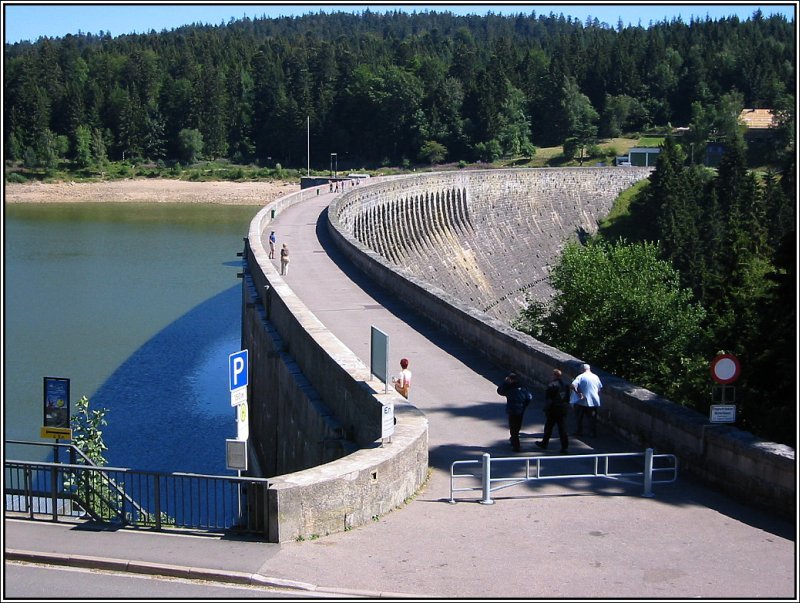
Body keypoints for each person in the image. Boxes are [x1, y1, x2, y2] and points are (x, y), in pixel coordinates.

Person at [536, 368, 571, 453]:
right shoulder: (565, 385)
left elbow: (549, 399)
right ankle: (565, 447)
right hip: (563, 408)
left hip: (553, 409)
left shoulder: (552, 385)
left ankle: (544, 443)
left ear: (554, 375)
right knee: (562, 428)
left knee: (548, 427)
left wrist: (546, 409)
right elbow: (567, 398)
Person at [496, 372, 532, 452]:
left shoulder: (509, 388)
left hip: (512, 409)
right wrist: (524, 405)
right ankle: (514, 441)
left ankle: (516, 445)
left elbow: (499, 391)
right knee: (517, 426)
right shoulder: (523, 387)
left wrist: (505, 383)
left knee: (513, 428)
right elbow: (529, 397)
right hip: (521, 409)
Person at [572, 363, 602, 437]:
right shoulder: (596, 377)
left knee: (579, 417)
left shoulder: (580, 376)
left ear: (582, 369)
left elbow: (573, 385)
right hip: (593, 400)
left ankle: (579, 431)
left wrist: (579, 393)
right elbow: (599, 388)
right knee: (592, 418)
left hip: (582, 401)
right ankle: (593, 432)